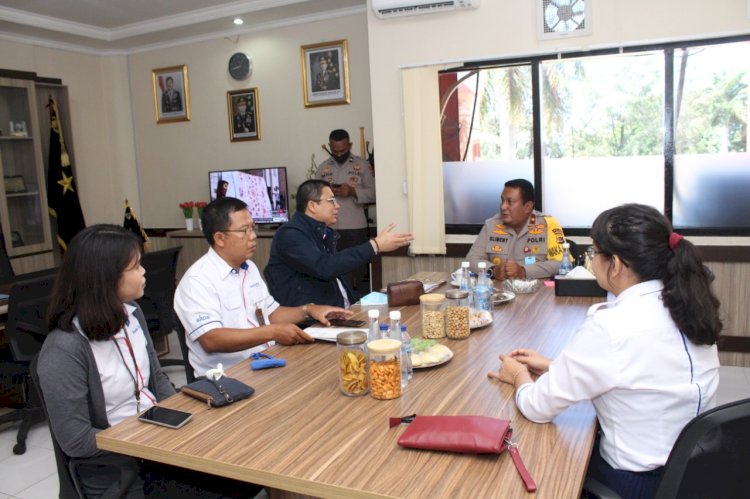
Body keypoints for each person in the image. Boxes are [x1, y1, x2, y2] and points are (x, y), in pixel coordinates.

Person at [488, 204, 722, 499]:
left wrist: (519, 375)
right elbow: (646, 369)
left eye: (594, 252)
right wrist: (556, 366)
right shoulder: (689, 305)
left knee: (536, 467)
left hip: (635, 484)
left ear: (617, 264)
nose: (591, 261)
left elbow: (537, 407)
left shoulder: (611, 326)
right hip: (695, 475)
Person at [37, 225, 257, 497]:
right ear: (105, 278)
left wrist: (182, 419)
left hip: (157, 444)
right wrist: (147, 439)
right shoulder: (65, 348)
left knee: (249, 469)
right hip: (120, 466)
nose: (143, 272)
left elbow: (158, 380)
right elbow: (76, 440)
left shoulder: (131, 314)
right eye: (135, 266)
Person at [174, 197, 351, 377]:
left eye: (253, 227)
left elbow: (271, 313)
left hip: (266, 362)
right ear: (219, 238)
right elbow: (211, 339)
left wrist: (309, 310)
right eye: (244, 230)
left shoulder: (248, 267)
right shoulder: (197, 280)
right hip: (227, 377)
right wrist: (271, 332)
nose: (252, 236)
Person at [265, 179, 413, 307]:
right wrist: (375, 245)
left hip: (341, 311)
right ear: (312, 206)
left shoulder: (323, 232)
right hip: (312, 321)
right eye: (331, 201)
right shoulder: (290, 234)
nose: (337, 206)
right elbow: (325, 267)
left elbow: (336, 273)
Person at [465, 178, 566, 280]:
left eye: (510, 202)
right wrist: (493, 270)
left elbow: (561, 263)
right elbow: (471, 260)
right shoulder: (491, 224)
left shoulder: (548, 224)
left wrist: (524, 271)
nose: (503, 207)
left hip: (536, 291)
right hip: (499, 292)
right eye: (502, 200)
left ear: (527, 207)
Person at [316, 129, 375, 295]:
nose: (339, 154)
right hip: (330, 229)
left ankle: (363, 306)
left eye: (343, 150)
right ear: (329, 146)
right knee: (336, 272)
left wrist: (353, 192)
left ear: (349, 145)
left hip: (355, 228)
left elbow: (375, 193)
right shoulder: (323, 168)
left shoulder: (362, 165)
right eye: (335, 151)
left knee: (360, 272)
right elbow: (314, 197)